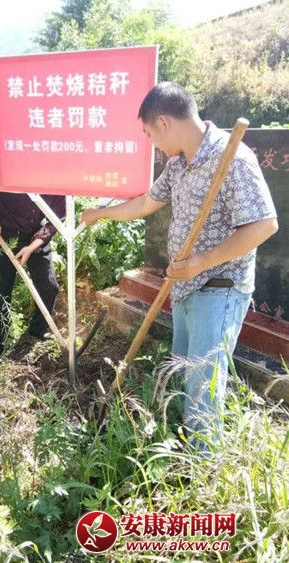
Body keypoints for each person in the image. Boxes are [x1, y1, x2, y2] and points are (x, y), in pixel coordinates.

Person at [80, 82, 278, 454]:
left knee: (203, 390)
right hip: (185, 288)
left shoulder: (232, 157)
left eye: (150, 135)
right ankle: (188, 457)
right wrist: (100, 213)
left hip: (219, 288)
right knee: (186, 376)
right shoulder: (178, 164)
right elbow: (145, 204)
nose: (153, 144)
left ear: (164, 122)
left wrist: (202, 261)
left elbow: (264, 225)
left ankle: (205, 473)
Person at [0, 169, 65, 356]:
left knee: (49, 286)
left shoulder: (58, 178)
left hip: (35, 237)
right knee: (0, 290)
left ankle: (38, 329)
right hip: (4, 234)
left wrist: (32, 246)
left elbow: (57, 219)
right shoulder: (12, 169)